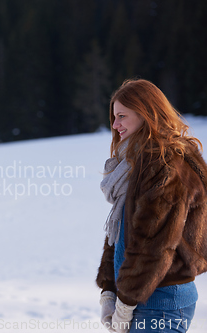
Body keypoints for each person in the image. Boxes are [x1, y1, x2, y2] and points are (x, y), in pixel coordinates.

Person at [96, 79, 207, 333]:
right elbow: (124, 231)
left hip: (161, 302)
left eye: (122, 116)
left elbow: (154, 243)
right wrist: (109, 292)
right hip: (144, 298)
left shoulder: (164, 165)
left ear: (146, 113)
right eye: (114, 117)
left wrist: (125, 303)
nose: (115, 125)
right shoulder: (138, 164)